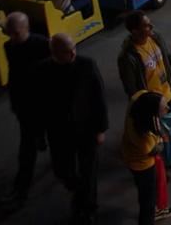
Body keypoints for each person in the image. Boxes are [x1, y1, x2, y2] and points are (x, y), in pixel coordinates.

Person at [34, 33, 108, 225]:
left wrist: (101, 129)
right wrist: (39, 135)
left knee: (89, 170)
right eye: (68, 51)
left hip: (87, 130)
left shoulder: (87, 65)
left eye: (74, 48)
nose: (73, 53)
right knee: (62, 169)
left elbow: (99, 98)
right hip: (59, 133)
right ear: (55, 53)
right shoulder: (43, 71)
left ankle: (88, 208)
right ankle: (78, 189)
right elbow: (39, 107)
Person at [118, 11, 171, 171]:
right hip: (152, 105)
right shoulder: (128, 56)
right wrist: (144, 109)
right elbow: (132, 89)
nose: (151, 27)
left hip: (167, 95)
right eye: (146, 25)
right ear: (135, 31)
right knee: (155, 137)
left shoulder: (155, 38)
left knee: (168, 131)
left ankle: (169, 160)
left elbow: (167, 55)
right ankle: (156, 168)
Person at [1, 13, 49, 207]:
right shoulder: (9, 47)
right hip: (27, 108)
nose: (11, 36)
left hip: (46, 104)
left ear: (25, 29)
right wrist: (16, 104)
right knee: (26, 151)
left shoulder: (42, 45)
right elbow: (14, 78)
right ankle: (21, 190)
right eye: (9, 32)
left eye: (15, 32)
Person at [122, 90, 171, 225]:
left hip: (127, 150)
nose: (168, 108)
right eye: (163, 109)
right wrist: (162, 140)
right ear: (152, 115)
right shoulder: (143, 139)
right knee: (148, 198)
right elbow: (155, 149)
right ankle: (150, 217)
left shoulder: (138, 98)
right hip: (142, 165)